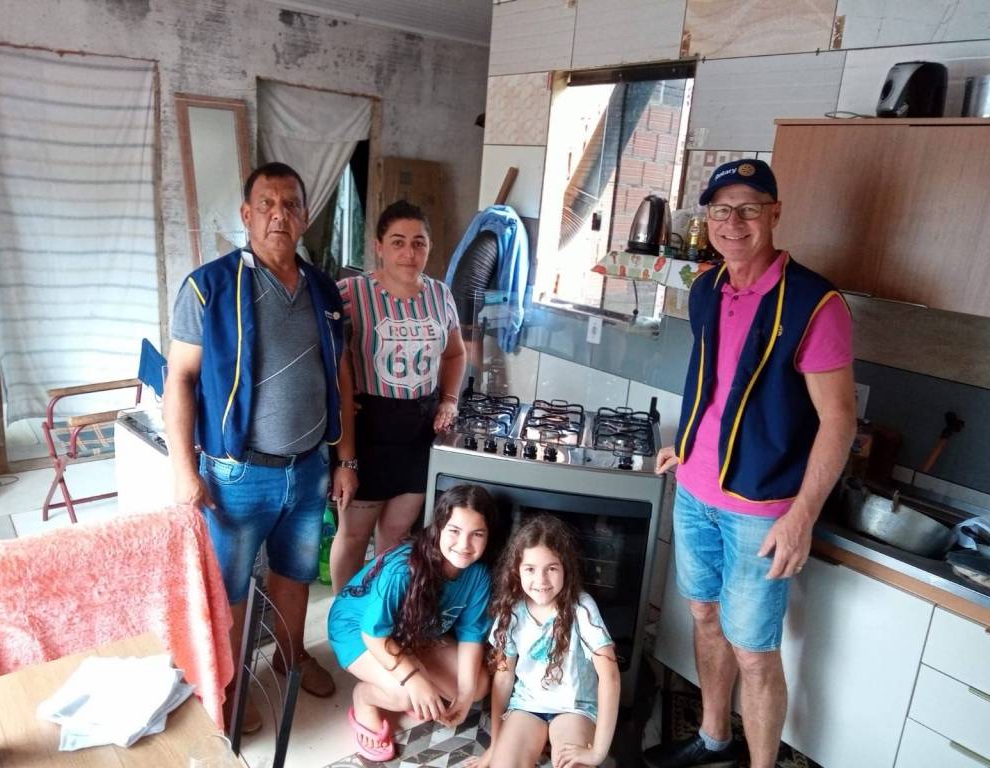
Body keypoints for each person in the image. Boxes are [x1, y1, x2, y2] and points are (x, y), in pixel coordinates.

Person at [645, 159, 856, 768]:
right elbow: (715, 383)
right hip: (694, 490)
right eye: (721, 210)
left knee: (755, 650)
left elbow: (839, 419)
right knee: (704, 615)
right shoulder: (706, 288)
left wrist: (802, 517)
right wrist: (688, 443)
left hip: (762, 510)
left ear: (775, 214)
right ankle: (713, 738)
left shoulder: (815, 302)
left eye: (748, 209)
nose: (733, 223)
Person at [164, 162, 359, 730]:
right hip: (236, 474)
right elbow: (180, 379)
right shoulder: (209, 287)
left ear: (306, 216)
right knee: (230, 589)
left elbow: (340, 374)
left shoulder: (323, 289)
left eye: (291, 204)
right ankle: (227, 683)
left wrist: (345, 458)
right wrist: (184, 470)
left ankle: (289, 657)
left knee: (295, 575)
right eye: (267, 205)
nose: (279, 215)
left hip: (308, 469)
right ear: (246, 215)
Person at [329, 200, 466, 592]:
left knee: (395, 537)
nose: (409, 253)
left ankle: (380, 613)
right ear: (379, 246)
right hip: (367, 429)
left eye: (419, 243)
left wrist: (449, 399)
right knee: (354, 535)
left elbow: (455, 354)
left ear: (429, 247)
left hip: (420, 430)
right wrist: (334, 403)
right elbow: (325, 356)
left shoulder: (440, 295)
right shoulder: (350, 294)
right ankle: (346, 618)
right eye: (398, 242)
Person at [327, 484, 503, 763]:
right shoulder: (404, 568)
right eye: (454, 531)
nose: (464, 545)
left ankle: (410, 671)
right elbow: (374, 635)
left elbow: (471, 635)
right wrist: (414, 679)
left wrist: (465, 696)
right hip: (358, 630)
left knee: (478, 686)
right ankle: (365, 698)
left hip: (413, 632)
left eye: (477, 534)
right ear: (439, 527)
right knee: (405, 695)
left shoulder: (478, 574)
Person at [470, 514, 620, 768]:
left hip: (575, 708)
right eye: (530, 569)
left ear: (565, 568)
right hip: (527, 706)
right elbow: (504, 678)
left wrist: (598, 752)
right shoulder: (511, 611)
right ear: (517, 570)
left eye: (551, 568)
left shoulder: (582, 607)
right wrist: (496, 745)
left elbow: (611, 677)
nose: (541, 581)